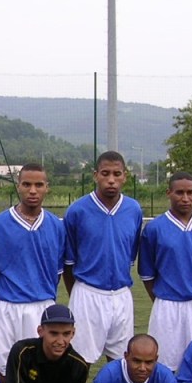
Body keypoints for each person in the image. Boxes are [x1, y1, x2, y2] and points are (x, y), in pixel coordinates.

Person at [0, 163, 66, 382]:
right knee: (0, 371)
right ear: (18, 186)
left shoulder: (57, 226)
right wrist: (2, 297)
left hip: (42, 306)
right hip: (6, 306)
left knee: (40, 373)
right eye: (27, 184)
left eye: (38, 185)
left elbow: (57, 271)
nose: (32, 190)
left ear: (47, 187)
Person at [62, 151, 143, 363]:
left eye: (117, 174)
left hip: (122, 294)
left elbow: (130, 253)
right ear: (95, 175)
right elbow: (68, 263)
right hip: (87, 292)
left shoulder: (134, 209)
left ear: (125, 176)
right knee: (79, 361)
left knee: (121, 362)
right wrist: (78, 293)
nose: (111, 180)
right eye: (105, 173)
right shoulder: (77, 210)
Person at [138, 172, 192, 371]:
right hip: (167, 306)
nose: (185, 198)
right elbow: (147, 275)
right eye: (179, 193)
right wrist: (163, 299)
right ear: (169, 193)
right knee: (164, 366)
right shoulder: (154, 229)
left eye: (190, 192)